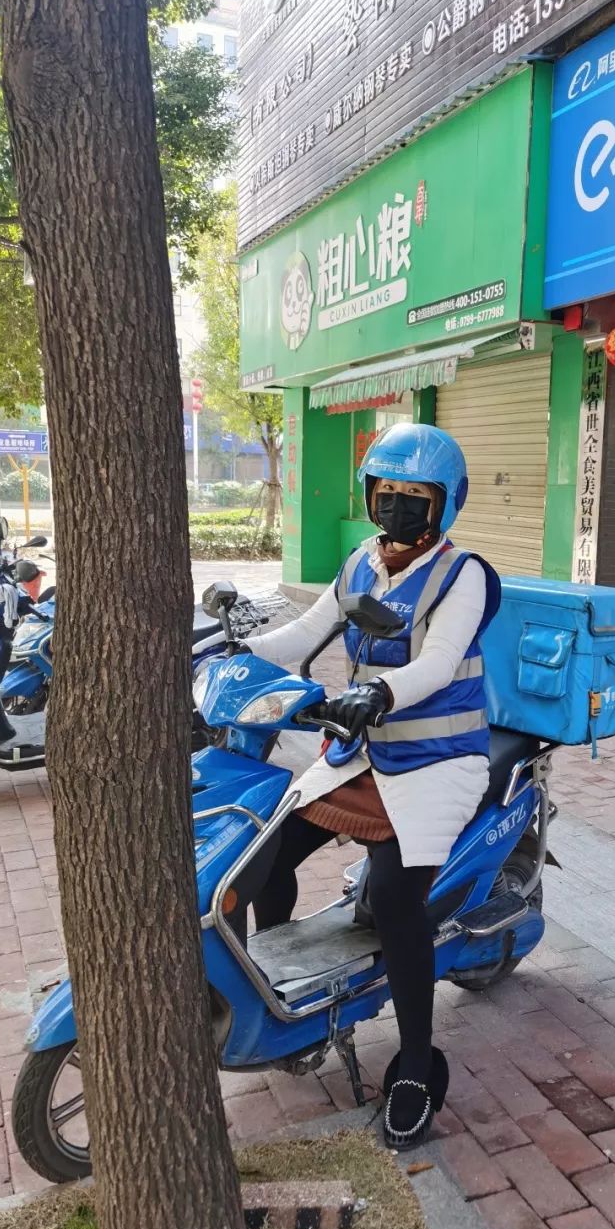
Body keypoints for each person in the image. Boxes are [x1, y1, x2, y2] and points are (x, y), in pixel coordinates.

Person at [241, 424, 500, 1149]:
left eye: (415, 496)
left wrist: (379, 693)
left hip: (440, 758)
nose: (397, 506)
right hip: (361, 751)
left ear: (444, 504)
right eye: (386, 492)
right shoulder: (360, 561)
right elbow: (303, 634)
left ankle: (415, 1063)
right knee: (263, 855)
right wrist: (224, 647)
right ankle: (285, 998)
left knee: (391, 897)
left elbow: (440, 663)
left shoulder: (464, 574)